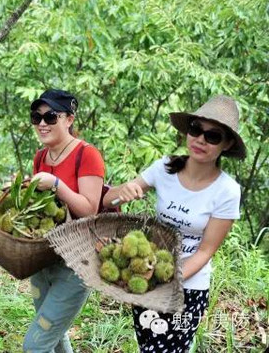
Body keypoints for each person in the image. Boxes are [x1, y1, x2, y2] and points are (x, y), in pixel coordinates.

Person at [102, 95, 244, 353]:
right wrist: (126, 189)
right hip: (149, 276)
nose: (200, 139)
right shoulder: (164, 167)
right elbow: (108, 199)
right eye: (196, 129)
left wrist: (166, 280)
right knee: (147, 347)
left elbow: (205, 252)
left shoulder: (227, 191)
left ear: (227, 144)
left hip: (186, 291)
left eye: (213, 136)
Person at [24, 89, 105, 353]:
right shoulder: (41, 157)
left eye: (51, 117)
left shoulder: (87, 154)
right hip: (44, 258)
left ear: (69, 119)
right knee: (55, 336)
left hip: (77, 263)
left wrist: (56, 184)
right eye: (37, 118)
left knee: (35, 345)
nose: (42, 124)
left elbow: (89, 210)